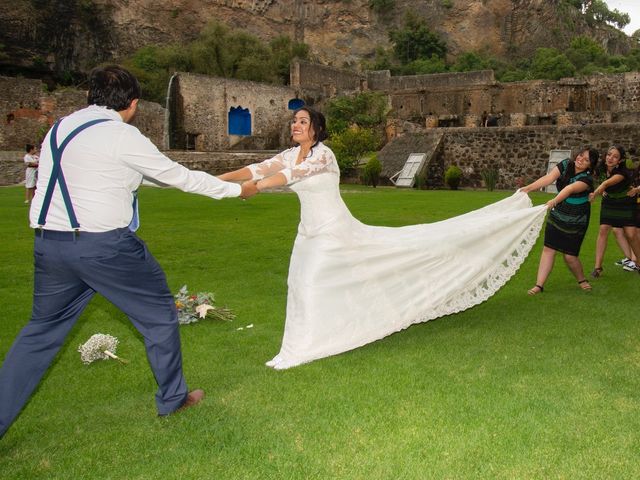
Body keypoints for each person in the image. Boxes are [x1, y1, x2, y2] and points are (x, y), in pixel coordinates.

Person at [0, 65, 257, 439]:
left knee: (41, 333)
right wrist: (238, 190)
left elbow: (134, 173)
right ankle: (173, 399)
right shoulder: (122, 135)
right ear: (133, 104)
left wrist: (203, 180)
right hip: (105, 248)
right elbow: (175, 176)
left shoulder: (61, 128)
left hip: (50, 244)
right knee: (158, 316)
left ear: (89, 97)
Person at [218, 107, 547, 370]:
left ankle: (307, 345)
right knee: (298, 284)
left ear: (316, 129)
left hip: (335, 231)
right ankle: (299, 344)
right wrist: (211, 180)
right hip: (308, 233)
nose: (296, 125)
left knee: (317, 281)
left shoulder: (323, 155)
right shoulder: (291, 154)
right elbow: (257, 168)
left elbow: (289, 176)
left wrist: (256, 188)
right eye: (294, 121)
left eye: (302, 121)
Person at [519, 147, 599, 295]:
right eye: (581, 155)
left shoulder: (586, 179)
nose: (581, 159)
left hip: (577, 217)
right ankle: (539, 285)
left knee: (570, 255)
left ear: (591, 165)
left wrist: (554, 201)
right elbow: (548, 178)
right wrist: (528, 188)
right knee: (549, 248)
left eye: (586, 160)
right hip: (559, 212)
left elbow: (569, 189)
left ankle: (581, 279)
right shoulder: (566, 164)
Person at [589, 145, 640, 277]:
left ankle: (639, 263)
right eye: (609, 154)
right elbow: (594, 178)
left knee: (631, 235)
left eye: (615, 156)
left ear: (620, 161)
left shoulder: (622, 172)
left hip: (626, 202)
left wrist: (596, 193)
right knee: (603, 229)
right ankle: (598, 267)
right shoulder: (600, 168)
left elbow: (605, 184)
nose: (610, 158)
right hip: (609, 202)